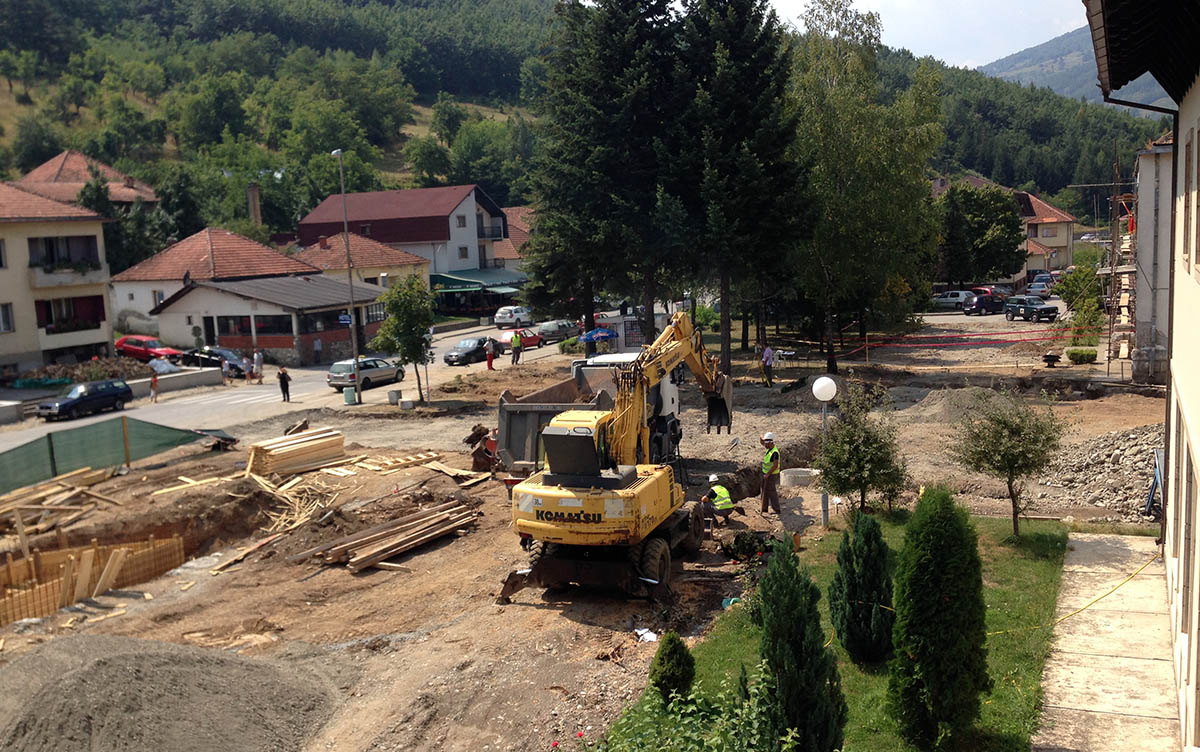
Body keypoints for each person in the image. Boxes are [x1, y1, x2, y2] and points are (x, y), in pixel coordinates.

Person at [760, 431, 782, 514]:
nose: (764, 445)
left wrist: (768, 474)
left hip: (771, 474)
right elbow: (762, 442)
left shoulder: (774, 453)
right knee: (763, 491)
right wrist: (761, 437)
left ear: (771, 442)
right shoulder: (769, 448)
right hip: (765, 473)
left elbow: (775, 466)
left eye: (766, 443)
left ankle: (777, 509)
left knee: (771, 491)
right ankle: (764, 508)